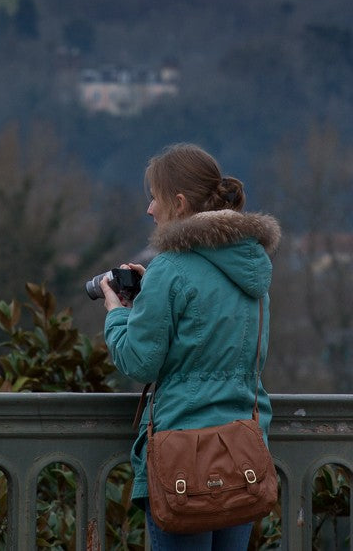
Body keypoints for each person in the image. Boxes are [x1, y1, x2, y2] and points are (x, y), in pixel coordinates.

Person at [101, 143, 280, 551]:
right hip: (243, 452)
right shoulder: (253, 268)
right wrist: (154, 298)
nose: (149, 209)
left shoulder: (170, 267)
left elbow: (140, 361)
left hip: (184, 459)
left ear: (178, 204)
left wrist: (117, 312)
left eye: (155, 197)